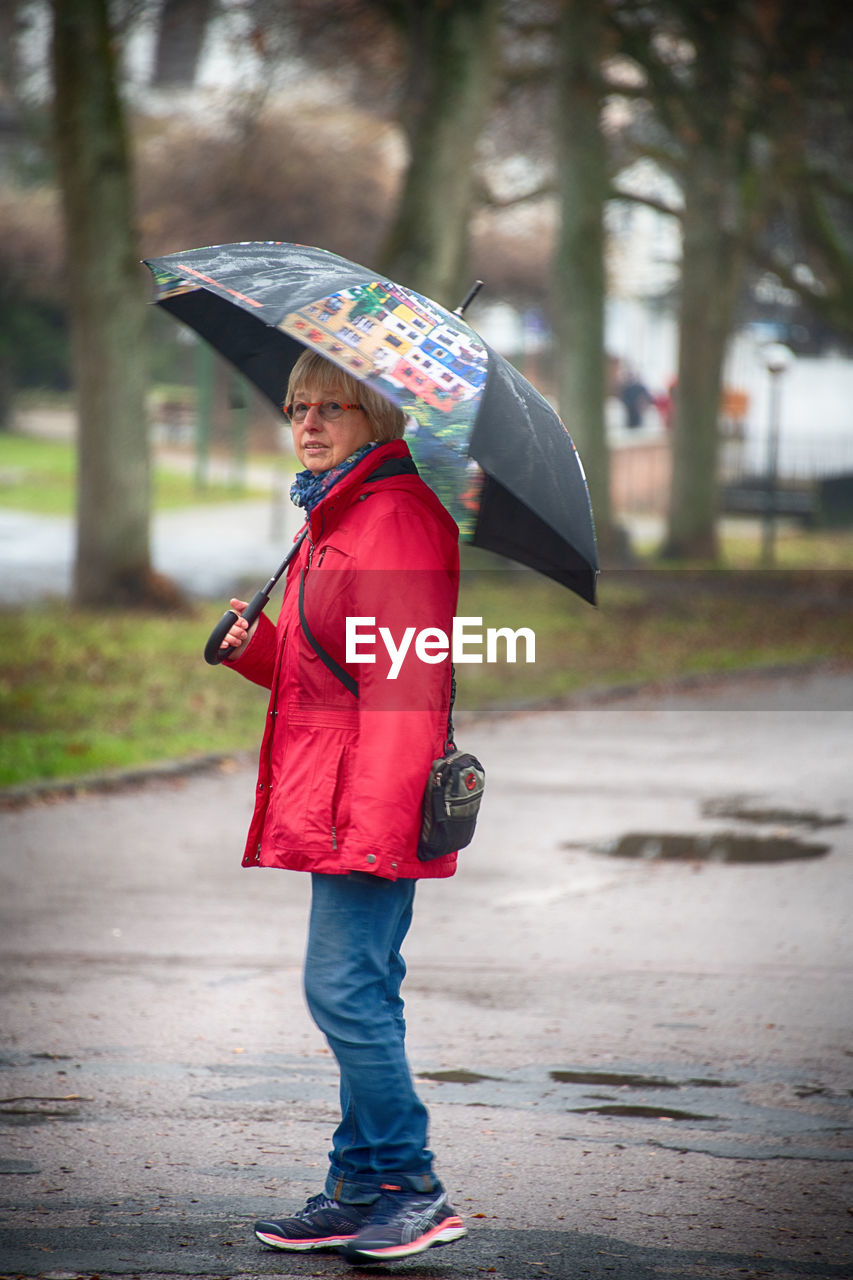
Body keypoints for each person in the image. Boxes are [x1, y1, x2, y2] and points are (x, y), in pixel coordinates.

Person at [218, 349, 466, 1265]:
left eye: (333, 407)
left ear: (378, 419)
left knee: (342, 992)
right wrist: (261, 650)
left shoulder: (393, 522)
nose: (310, 424)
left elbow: (403, 696)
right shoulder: (335, 518)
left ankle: (411, 1188)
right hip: (343, 797)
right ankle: (359, 1188)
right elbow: (333, 674)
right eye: (297, 408)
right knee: (364, 993)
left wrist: (372, 835)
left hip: (368, 810)